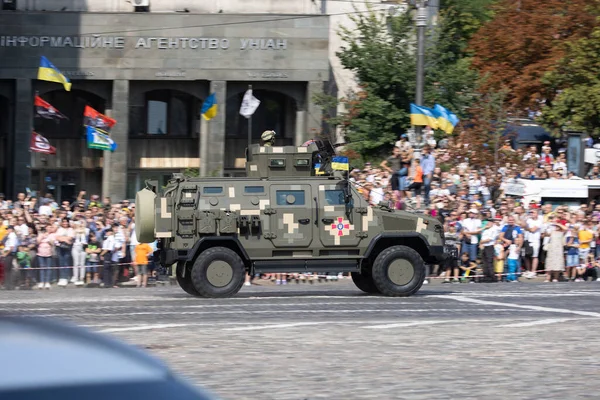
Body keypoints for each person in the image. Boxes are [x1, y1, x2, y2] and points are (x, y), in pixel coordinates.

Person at [544, 215, 568, 282]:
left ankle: (555, 278)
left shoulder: (562, 232)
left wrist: (558, 224)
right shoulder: (552, 231)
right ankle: (547, 278)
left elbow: (566, 228)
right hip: (551, 249)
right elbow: (545, 233)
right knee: (549, 264)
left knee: (557, 264)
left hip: (558, 250)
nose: (556, 227)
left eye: (557, 226)